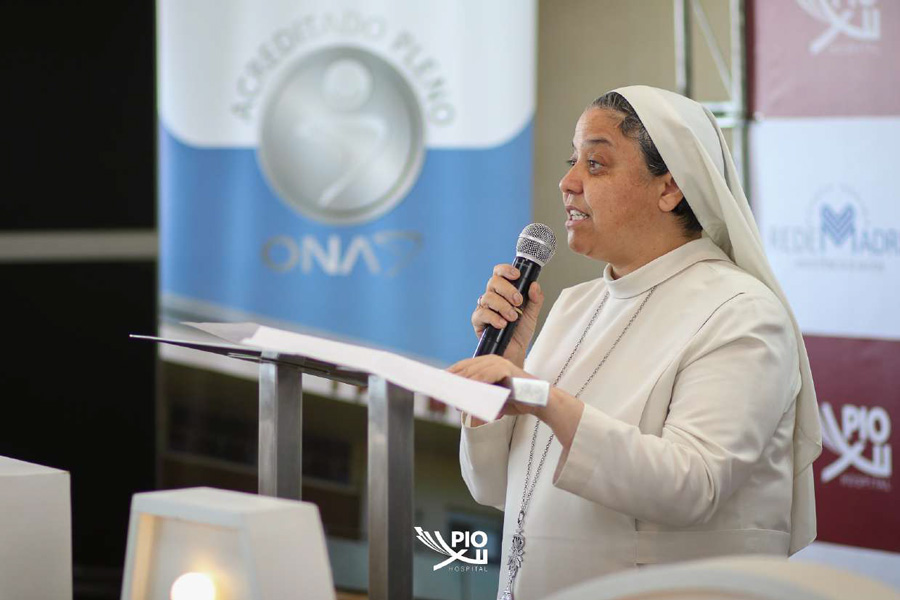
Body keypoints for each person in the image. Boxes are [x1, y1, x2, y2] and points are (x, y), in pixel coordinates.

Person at [450, 86, 822, 600]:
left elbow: (693, 486)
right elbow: (494, 489)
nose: (568, 183)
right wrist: (501, 370)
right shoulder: (575, 305)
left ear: (669, 188)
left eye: (595, 164)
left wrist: (543, 398)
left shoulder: (742, 313)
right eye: (572, 161)